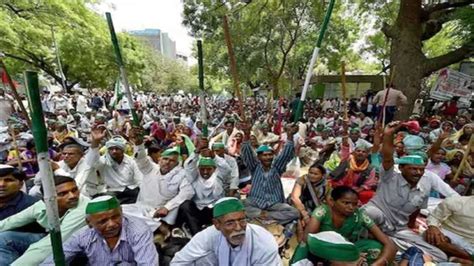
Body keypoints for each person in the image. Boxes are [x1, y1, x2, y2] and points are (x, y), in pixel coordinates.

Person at [363, 121, 459, 262]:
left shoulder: (425, 185)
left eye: (421, 169)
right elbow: (387, 156)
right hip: (377, 221)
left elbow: (415, 212)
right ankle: (385, 244)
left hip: (398, 230)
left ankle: (387, 244)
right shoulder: (390, 175)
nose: (418, 172)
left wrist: (413, 229)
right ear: (402, 168)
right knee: (370, 212)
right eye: (413, 169)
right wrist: (389, 134)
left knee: (440, 256)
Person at [292, 186, 397, 265]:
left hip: (344, 251)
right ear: (333, 202)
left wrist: (375, 265)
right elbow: (308, 240)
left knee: (377, 248)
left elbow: (389, 245)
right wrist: (341, 262)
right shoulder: (322, 212)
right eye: (346, 203)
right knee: (302, 251)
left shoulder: (359, 215)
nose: (351, 207)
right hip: (320, 250)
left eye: (355, 204)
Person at [41, 195, 159, 265]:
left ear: (122, 213)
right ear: (89, 223)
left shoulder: (138, 231)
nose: (112, 224)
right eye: (103, 221)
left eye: (116, 217)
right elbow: (54, 260)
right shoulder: (83, 236)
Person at [0, 175, 89, 265]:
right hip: (50, 238)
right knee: (3, 238)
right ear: (47, 198)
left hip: (76, 248)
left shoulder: (82, 209)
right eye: (62, 194)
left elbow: (50, 245)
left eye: (74, 190)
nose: (72, 196)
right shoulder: (42, 205)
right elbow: (10, 222)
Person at [123, 127, 193, 239]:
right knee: (121, 211)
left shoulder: (181, 174)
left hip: (162, 212)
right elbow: (140, 159)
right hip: (142, 208)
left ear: (176, 163)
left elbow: (187, 192)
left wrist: (167, 207)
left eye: (172, 161)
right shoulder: (150, 168)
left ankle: (157, 226)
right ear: (160, 160)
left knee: (134, 221)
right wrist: (139, 144)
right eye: (165, 159)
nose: (167, 163)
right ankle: (159, 227)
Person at [171, 197, 282, 265]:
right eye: (230, 223)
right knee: (200, 260)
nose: (238, 228)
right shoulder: (208, 235)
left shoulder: (264, 242)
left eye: (242, 220)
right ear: (217, 224)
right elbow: (179, 261)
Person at [240, 122, 300, 225]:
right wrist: (246, 134)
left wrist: (290, 136)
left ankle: (265, 217)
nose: (268, 157)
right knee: (239, 205)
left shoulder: (277, 167)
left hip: (274, 203)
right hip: (256, 202)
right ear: (259, 157)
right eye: (264, 155)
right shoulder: (254, 167)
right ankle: (265, 217)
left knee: (294, 212)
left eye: (270, 155)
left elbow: (285, 155)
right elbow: (247, 153)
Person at [87, 126, 143, 203]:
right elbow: (90, 163)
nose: (114, 151)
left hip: (131, 191)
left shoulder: (131, 161)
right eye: (111, 149)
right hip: (112, 192)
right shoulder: (103, 161)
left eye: (117, 149)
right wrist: (95, 142)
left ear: (123, 150)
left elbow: (139, 178)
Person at [180, 155, 225, 235]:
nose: (205, 172)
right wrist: (196, 152)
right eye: (202, 169)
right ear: (198, 169)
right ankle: (196, 234)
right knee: (185, 205)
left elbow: (226, 169)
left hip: (213, 212)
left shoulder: (218, 178)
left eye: (208, 169)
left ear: (214, 169)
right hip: (197, 212)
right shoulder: (193, 178)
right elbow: (188, 165)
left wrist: (214, 156)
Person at [425, 196, 474, 264]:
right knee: (434, 237)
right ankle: (468, 259)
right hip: (449, 235)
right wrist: (433, 227)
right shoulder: (457, 201)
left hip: (470, 244)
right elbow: (434, 216)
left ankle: (463, 259)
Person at [290, 163, 330, 229]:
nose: (312, 176)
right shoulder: (302, 180)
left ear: (322, 175)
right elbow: (295, 197)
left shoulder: (326, 185)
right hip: (299, 205)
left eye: (315, 174)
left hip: (315, 207)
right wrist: (304, 213)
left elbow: (329, 201)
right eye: (311, 173)